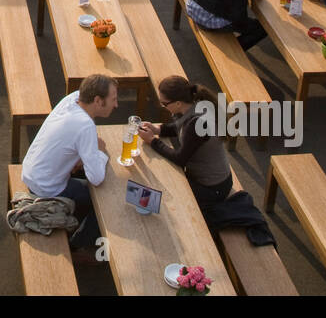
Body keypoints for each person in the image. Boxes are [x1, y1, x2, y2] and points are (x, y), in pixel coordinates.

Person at [20, 74, 117, 250]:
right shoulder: (85, 125)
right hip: (45, 186)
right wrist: (101, 153)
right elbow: (96, 178)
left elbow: (75, 136)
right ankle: (80, 247)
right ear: (97, 100)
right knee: (103, 201)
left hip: (31, 171)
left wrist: (83, 155)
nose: (116, 104)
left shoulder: (72, 98)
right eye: (113, 99)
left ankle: (73, 221)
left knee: (85, 179)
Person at [137, 77, 232, 206]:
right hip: (216, 179)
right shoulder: (195, 105)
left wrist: (152, 141)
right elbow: (178, 127)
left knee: (164, 195)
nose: (163, 107)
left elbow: (179, 159)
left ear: (178, 103)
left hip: (212, 189)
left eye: (165, 104)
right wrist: (157, 129)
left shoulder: (197, 124)